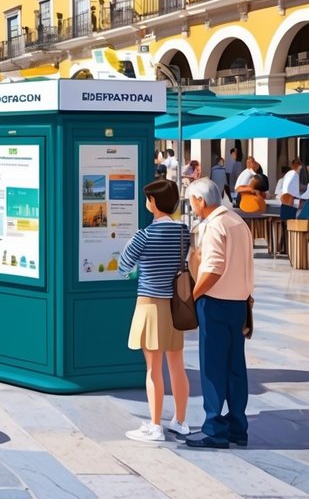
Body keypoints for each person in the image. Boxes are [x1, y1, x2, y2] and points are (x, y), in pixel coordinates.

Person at [118, 179, 192, 443]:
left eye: (149, 199)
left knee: (153, 369)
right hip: (175, 305)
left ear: (154, 203)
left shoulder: (145, 235)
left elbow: (123, 265)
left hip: (150, 304)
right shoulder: (184, 232)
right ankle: (181, 421)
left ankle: (155, 426)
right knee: (177, 367)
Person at [185, 177, 254, 449]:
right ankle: (238, 426)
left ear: (201, 200)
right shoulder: (239, 222)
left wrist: (192, 297)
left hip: (214, 303)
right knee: (235, 367)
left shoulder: (214, 226)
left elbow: (213, 269)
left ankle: (214, 428)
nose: (192, 207)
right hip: (239, 304)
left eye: (192, 201)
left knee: (212, 367)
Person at [275, 159, 302, 254]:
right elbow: (289, 193)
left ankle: (284, 248)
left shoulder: (290, 175)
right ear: (299, 166)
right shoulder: (294, 175)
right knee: (288, 228)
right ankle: (287, 249)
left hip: (286, 205)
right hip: (289, 205)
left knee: (285, 229)